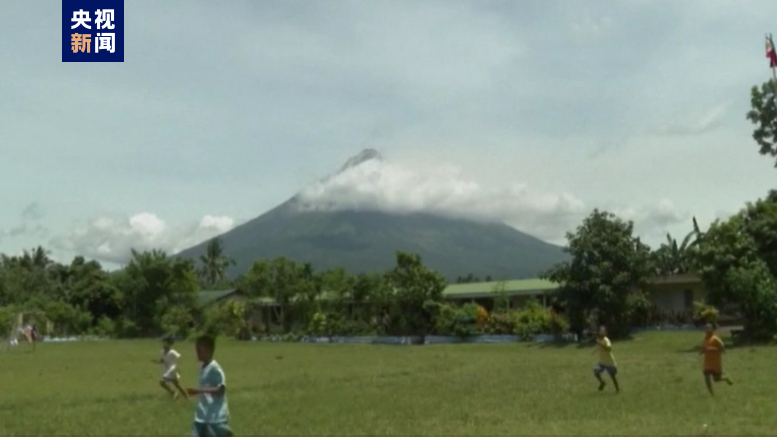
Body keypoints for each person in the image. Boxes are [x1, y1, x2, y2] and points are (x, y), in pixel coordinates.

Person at [186, 335, 233, 437]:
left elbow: (221, 390)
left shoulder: (215, 368)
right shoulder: (203, 367)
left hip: (214, 418)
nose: (197, 352)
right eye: (196, 349)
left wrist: (198, 391)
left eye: (199, 350)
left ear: (209, 350)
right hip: (201, 416)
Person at [700, 324, 733, 395]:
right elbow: (704, 347)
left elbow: (722, 346)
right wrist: (702, 351)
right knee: (707, 376)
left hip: (715, 362)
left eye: (708, 329)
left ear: (712, 330)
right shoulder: (705, 339)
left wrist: (720, 350)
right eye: (706, 329)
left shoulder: (715, 338)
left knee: (716, 379)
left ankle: (725, 378)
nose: (707, 330)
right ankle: (711, 393)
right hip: (707, 362)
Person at [592, 325, 619, 393]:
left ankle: (617, 389)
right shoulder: (598, 339)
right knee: (596, 371)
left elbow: (609, 349)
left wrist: (601, 344)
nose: (601, 333)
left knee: (612, 376)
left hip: (609, 362)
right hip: (602, 362)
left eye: (602, 331)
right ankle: (602, 383)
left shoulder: (606, 340)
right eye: (600, 331)